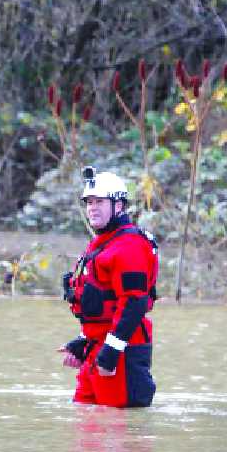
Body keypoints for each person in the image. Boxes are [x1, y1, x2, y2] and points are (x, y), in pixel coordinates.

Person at [58, 167, 158, 407]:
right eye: (89, 202)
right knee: (84, 423)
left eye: (100, 201)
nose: (92, 207)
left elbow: (134, 302)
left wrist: (111, 352)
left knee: (117, 431)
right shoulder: (101, 244)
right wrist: (83, 340)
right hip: (97, 349)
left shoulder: (129, 245)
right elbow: (102, 302)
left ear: (119, 206)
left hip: (120, 354)